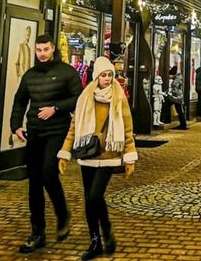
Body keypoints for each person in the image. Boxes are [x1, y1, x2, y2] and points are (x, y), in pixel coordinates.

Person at [58, 56, 137, 260]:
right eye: (103, 75)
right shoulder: (85, 97)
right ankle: (96, 241)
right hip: (88, 154)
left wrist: (129, 158)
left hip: (109, 155)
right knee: (90, 199)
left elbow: (128, 130)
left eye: (110, 74)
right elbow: (74, 128)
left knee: (94, 197)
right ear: (96, 76)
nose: (107, 78)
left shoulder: (119, 98)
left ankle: (107, 229)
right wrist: (65, 153)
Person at [10, 34, 83, 253]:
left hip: (57, 131)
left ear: (53, 49)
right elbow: (20, 100)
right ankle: (37, 232)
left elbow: (79, 98)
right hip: (34, 131)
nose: (42, 54)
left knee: (49, 174)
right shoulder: (30, 75)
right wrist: (15, 125)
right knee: (34, 182)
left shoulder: (67, 72)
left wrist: (56, 108)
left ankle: (62, 214)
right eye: (38, 50)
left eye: (45, 49)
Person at [164, 65, 187, 130]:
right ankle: (183, 124)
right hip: (178, 97)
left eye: (170, 75)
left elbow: (175, 89)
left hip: (177, 97)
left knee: (168, 104)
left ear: (173, 74)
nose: (169, 76)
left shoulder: (176, 80)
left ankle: (166, 120)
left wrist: (170, 93)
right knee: (179, 110)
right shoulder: (178, 78)